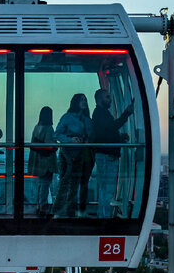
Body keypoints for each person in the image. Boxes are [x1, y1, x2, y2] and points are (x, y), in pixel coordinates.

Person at [90, 89, 133, 218]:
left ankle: (103, 216)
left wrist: (119, 138)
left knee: (106, 189)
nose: (110, 99)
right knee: (106, 189)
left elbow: (106, 133)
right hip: (106, 155)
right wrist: (126, 113)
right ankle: (104, 218)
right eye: (107, 97)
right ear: (99, 99)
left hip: (106, 154)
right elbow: (111, 128)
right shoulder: (100, 113)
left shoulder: (101, 113)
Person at [53, 93, 92, 217]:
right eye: (81, 100)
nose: (84, 102)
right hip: (68, 152)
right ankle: (58, 211)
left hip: (82, 152)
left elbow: (91, 135)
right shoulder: (67, 117)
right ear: (75, 102)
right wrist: (70, 140)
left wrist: (86, 140)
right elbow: (57, 134)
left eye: (85, 100)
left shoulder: (86, 119)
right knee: (65, 182)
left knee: (77, 183)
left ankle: (71, 212)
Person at [29, 106, 56, 216]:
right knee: (45, 185)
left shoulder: (37, 127)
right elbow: (50, 145)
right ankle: (43, 208)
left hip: (38, 161)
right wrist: (56, 146)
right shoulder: (48, 128)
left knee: (40, 185)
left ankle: (39, 206)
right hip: (47, 162)